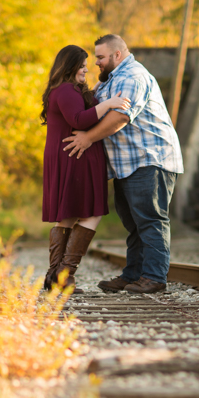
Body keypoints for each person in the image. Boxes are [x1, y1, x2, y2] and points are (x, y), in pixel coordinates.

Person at [62, 34, 183, 294]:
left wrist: (87, 139)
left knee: (150, 220)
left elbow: (119, 118)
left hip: (150, 159)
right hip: (127, 164)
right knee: (133, 222)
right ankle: (133, 275)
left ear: (118, 55)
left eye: (101, 57)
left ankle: (154, 277)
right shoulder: (110, 81)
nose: (97, 63)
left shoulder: (132, 77)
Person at [41, 45, 129, 290]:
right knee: (91, 213)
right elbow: (78, 120)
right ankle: (63, 275)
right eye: (81, 66)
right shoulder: (67, 90)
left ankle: (56, 277)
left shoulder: (63, 90)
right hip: (75, 156)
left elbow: (81, 114)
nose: (85, 69)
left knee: (68, 214)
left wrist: (97, 95)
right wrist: (109, 103)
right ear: (69, 67)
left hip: (70, 155)